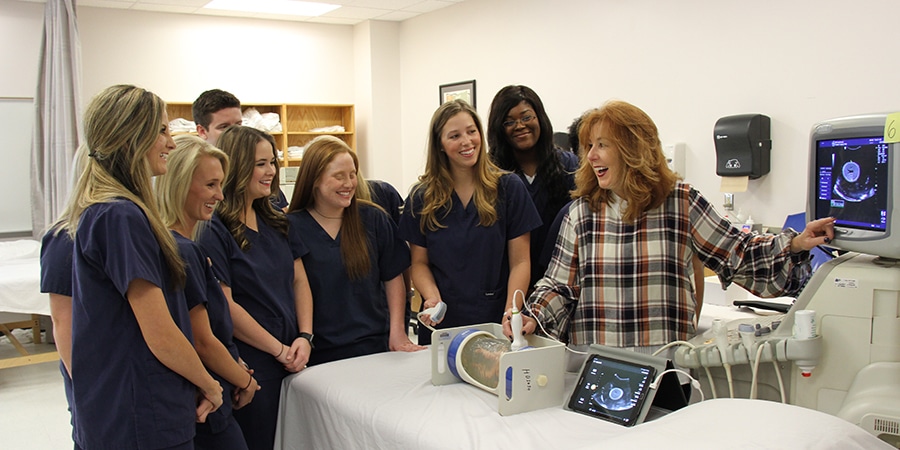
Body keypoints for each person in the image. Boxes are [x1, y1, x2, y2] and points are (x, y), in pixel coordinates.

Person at [513, 100, 834, 364]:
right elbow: (558, 285)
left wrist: (794, 244)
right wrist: (532, 316)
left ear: (632, 149)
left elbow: (739, 253)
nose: (591, 156)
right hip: (596, 365)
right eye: (589, 147)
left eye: (601, 145)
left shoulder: (680, 203)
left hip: (663, 366)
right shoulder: (583, 213)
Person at [58, 84, 223, 449]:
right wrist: (210, 384)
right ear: (132, 136)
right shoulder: (120, 216)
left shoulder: (104, 212)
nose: (171, 143)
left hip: (125, 408)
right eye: (162, 131)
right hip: (141, 412)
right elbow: (160, 334)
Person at [196, 125, 312, 450]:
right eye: (260, 164)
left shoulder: (277, 220)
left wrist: (305, 336)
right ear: (236, 166)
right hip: (254, 364)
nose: (271, 171)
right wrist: (278, 349)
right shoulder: (213, 229)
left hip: (295, 353)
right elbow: (224, 304)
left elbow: (300, 280)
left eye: (272, 162)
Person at [398, 99, 541, 345]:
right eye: (454, 136)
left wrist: (512, 311)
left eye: (471, 131)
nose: (467, 142)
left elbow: (520, 261)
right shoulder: (422, 198)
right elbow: (419, 264)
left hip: (494, 319)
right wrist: (431, 298)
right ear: (440, 145)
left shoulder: (508, 189)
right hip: (442, 323)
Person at [156, 135, 261, 450]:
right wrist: (247, 382)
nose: (220, 195)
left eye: (221, 185)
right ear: (179, 185)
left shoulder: (172, 244)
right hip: (206, 400)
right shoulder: (183, 251)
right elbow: (202, 341)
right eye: (211, 185)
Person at [286, 135, 422, 364]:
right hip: (318, 352)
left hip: (373, 345)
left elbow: (393, 277)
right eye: (339, 177)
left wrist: (398, 332)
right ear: (314, 179)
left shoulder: (374, 219)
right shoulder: (291, 227)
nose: (349, 184)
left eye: (352, 175)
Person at [487, 85, 579, 286]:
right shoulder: (490, 174)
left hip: (559, 283)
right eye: (509, 122)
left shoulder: (569, 166)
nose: (519, 126)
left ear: (540, 118)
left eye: (526, 117)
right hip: (507, 285)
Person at [192, 88, 288, 210]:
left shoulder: (259, 174)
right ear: (202, 131)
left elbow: (283, 215)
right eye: (224, 127)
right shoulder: (196, 176)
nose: (236, 132)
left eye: (238, 125)